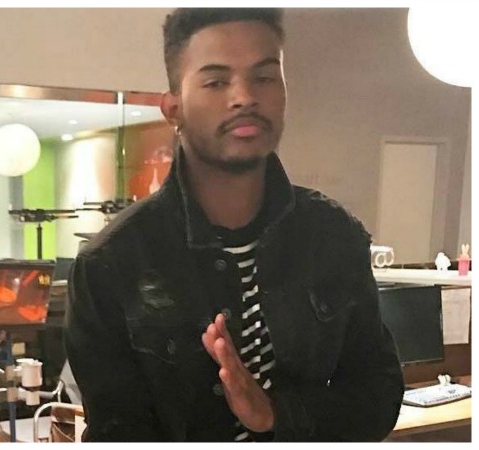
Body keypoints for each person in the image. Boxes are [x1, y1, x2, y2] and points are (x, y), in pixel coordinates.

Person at [64, 8, 404, 442]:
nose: (245, 97)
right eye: (216, 82)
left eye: (264, 77)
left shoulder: (333, 236)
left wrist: (275, 414)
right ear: (173, 109)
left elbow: (378, 395)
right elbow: (117, 433)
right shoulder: (110, 265)